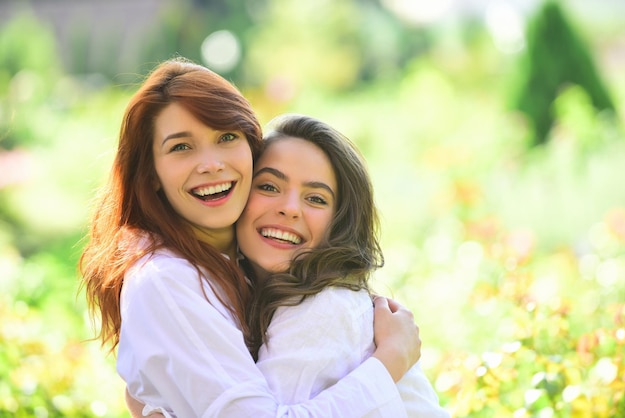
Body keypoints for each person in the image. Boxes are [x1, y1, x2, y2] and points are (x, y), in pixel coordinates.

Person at [80, 57, 421, 417]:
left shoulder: (291, 293)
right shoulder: (167, 279)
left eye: (226, 137)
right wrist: (389, 363)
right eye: (181, 146)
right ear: (150, 174)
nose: (211, 164)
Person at [127, 115, 449, 417]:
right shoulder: (243, 291)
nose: (290, 209)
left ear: (340, 224)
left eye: (316, 199)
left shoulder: (323, 308)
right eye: (268, 187)